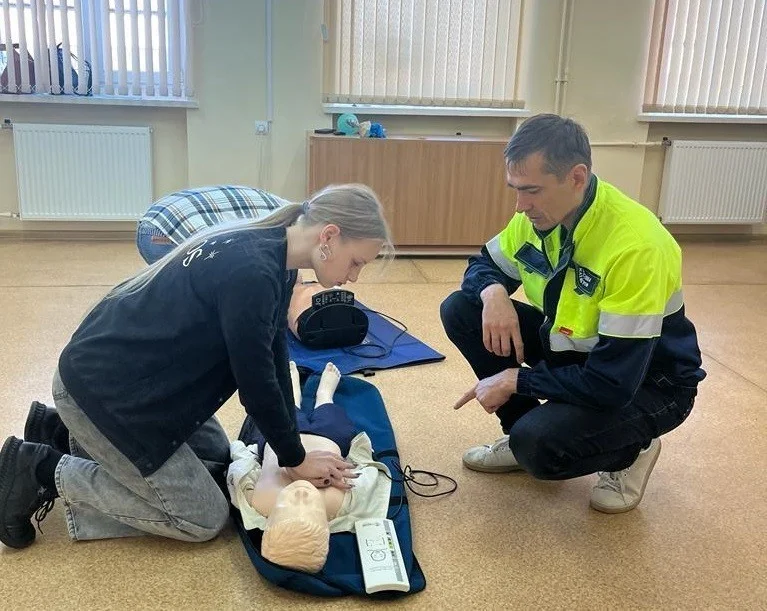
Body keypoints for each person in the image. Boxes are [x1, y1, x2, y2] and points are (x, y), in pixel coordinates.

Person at [0, 183, 393, 550]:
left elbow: (274, 356)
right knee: (202, 517)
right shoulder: (253, 274)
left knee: (220, 461)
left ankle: (56, 431)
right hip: (103, 393)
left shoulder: (278, 260)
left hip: (135, 383)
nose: (354, 277)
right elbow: (256, 385)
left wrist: (292, 444)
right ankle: (39, 469)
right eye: (356, 262)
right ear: (329, 236)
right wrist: (295, 458)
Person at [441, 114, 705, 514]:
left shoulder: (636, 246)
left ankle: (632, 449)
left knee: (540, 447)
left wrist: (515, 380)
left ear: (577, 177)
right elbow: (484, 266)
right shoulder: (537, 218)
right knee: (462, 309)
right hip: (579, 352)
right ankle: (518, 432)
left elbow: (611, 384)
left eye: (531, 191)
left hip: (646, 381)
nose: (520, 206)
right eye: (515, 189)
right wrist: (493, 292)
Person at [228, 361, 391, 573]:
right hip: (328, 437)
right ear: (328, 525)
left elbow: (241, 470)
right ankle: (325, 394)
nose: (301, 496)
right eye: (310, 509)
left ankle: (293, 391)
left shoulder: (258, 504)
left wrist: (242, 451)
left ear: (267, 521)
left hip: (279, 437)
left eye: (286, 508)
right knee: (331, 415)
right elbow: (370, 478)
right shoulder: (339, 506)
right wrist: (358, 457)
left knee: (284, 410)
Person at [136, 185, 292, 264]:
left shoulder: (280, 206)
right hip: (170, 233)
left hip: (152, 222)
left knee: (171, 289)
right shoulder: (284, 225)